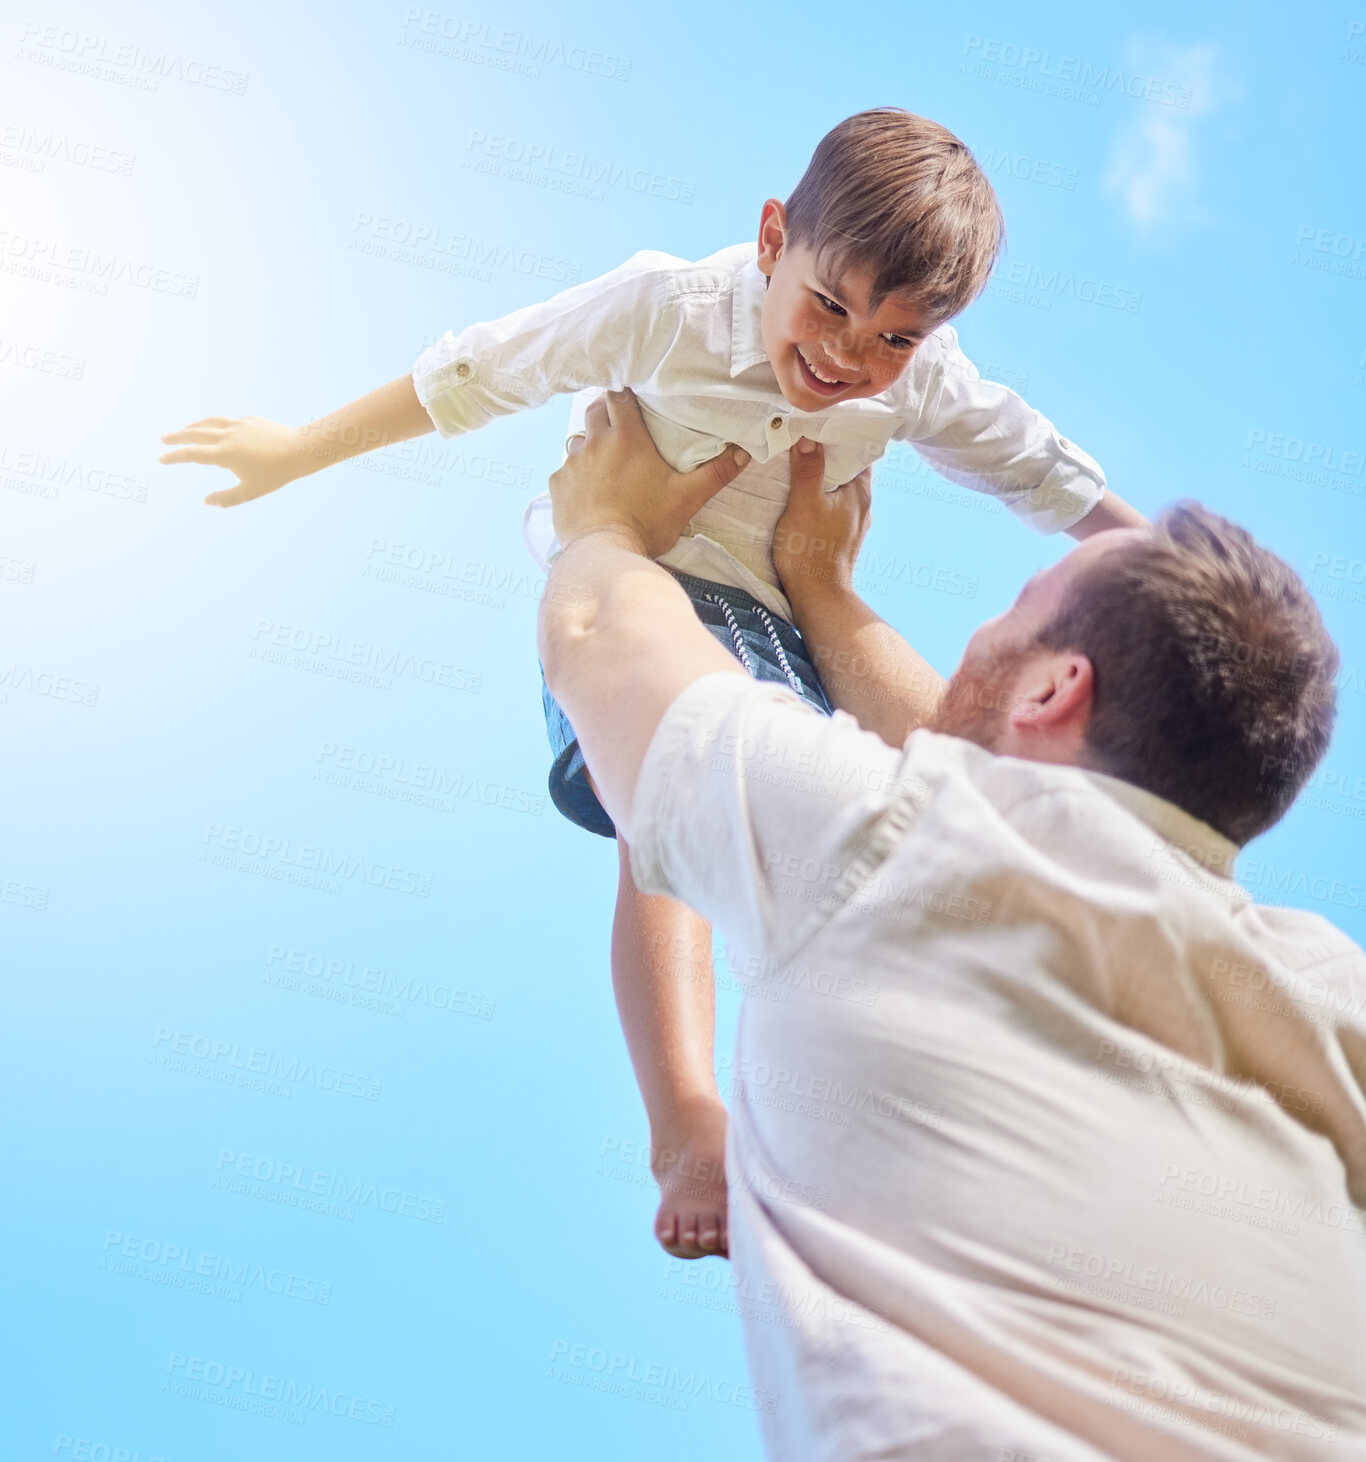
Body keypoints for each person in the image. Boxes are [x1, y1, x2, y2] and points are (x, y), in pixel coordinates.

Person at [158, 108, 1145, 1259]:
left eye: (891, 339)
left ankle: (950, 1085)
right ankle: (683, 1118)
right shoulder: (661, 308)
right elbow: (474, 373)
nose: (846, 357)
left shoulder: (921, 384)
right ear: (773, 237)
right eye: (830, 305)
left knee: (911, 816)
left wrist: (1165, 561)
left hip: (793, 618)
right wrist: (292, 450)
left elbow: (1037, 470)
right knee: (665, 813)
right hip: (642, 591)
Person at [536, 387, 1366, 1460]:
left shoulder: (878, 846)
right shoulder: (1327, 986)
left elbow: (600, 631)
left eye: (1013, 608)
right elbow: (974, 772)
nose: (981, 629)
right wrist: (823, 593)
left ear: (1059, 684)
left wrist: (601, 523)